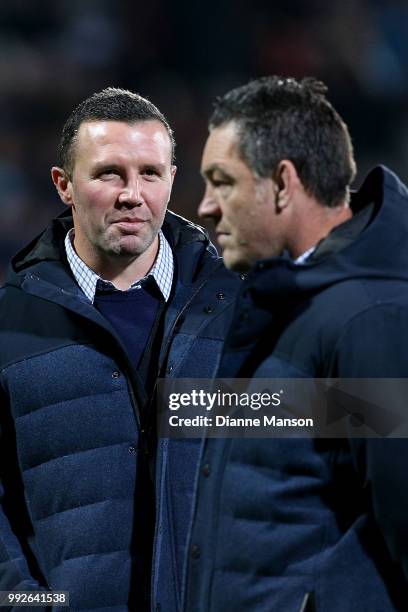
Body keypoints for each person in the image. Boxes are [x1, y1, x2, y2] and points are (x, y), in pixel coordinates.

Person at [0, 87, 239, 611]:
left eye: (150, 173)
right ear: (64, 185)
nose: (133, 193)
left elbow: (340, 437)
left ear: (173, 180)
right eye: (110, 173)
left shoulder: (243, 310)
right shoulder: (8, 324)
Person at [181, 77, 408, 611]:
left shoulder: (368, 319)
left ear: (283, 183)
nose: (205, 207)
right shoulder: (281, 301)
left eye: (222, 182)